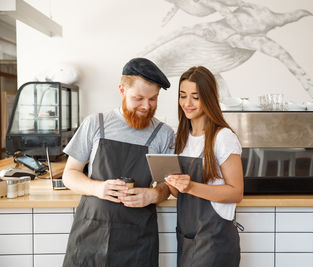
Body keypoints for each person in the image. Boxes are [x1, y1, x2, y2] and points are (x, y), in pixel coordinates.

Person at [62, 58, 175, 267]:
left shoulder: (163, 134)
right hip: (91, 233)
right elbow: (70, 173)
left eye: (153, 99)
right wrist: (97, 188)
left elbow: (170, 185)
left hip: (138, 239)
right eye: (138, 98)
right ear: (122, 90)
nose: (146, 106)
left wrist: (154, 194)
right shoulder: (96, 123)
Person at [165, 66, 244, 267]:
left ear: (208, 99)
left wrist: (190, 186)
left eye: (195, 97)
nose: (187, 103)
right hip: (187, 238)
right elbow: (179, 194)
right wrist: (171, 182)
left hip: (215, 241)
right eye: (183, 96)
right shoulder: (181, 139)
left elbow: (236, 192)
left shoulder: (223, 137)